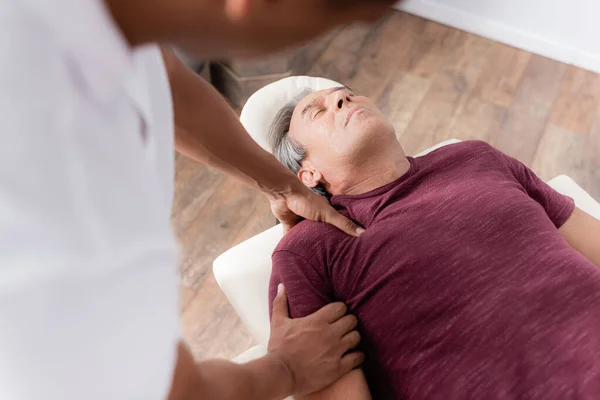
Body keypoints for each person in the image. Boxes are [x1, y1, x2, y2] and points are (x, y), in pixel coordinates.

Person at [0, 1, 399, 399]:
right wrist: (286, 369)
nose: (340, 98)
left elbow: (166, 82)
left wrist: (284, 187)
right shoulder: (61, 203)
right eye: (332, 19)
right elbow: (171, 392)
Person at [267, 86, 600, 399]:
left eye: (349, 93)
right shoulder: (307, 252)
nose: (342, 97)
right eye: (318, 111)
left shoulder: (476, 156)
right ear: (307, 173)